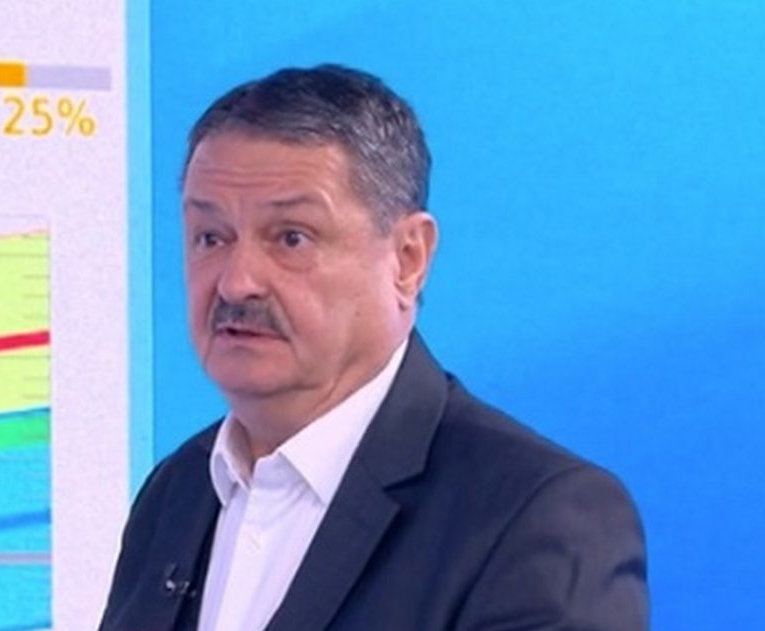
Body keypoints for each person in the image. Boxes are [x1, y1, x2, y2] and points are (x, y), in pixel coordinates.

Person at [100, 64, 648, 631]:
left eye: (291, 237)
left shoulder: (534, 516)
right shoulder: (176, 492)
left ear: (409, 258)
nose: (237, 283)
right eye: (211, 237)